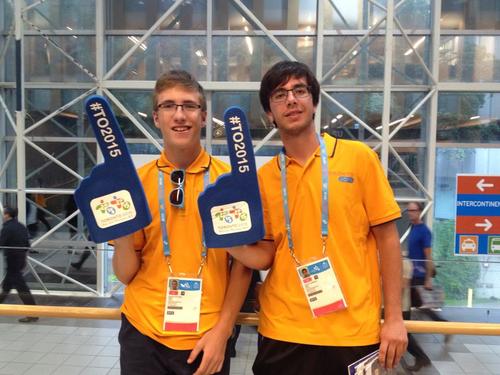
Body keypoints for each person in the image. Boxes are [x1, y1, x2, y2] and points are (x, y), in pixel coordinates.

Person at [227, 61, 407, 374]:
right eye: (280, 95)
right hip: (283, 330)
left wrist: (393, 318)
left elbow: (388, 240)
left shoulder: (358, 158)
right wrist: (227, 242)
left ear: (313, 102)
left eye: (299, 90)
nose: (291, 100)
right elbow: (267, 253)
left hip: (353, 331)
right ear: (269, 113)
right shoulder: (265, 178)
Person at [112, 70, 251, 375]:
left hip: (207, 337)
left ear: (203, 117)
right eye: (168, 106)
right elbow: (125, 274)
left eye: (189, 105)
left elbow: (244, 266)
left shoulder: (229, 182)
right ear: (156, 116)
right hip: (142, 334)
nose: (179, 115)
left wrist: (223, 332)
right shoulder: (135, 185)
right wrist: (119, 235)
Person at [406, 201, 448, 370]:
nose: (410, 213)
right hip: (411, 275)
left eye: (413, 210)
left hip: (420, 276)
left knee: (419, 310)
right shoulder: (412, 229)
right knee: (423, 308)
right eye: (408, 210)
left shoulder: (424, 232)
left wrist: (428, 278)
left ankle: (445, 328)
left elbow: (428, 256)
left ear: (420, 212)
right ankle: (445, 327)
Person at [0, 206, 39, 323]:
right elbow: (27, 244)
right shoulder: (21, 226)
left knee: (22, 288)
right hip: (20, 259)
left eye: (4, 213)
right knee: (6, 287)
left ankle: (33, 313)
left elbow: (1, 243)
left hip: (13, 261)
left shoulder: (7, 228)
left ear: (7, 215)